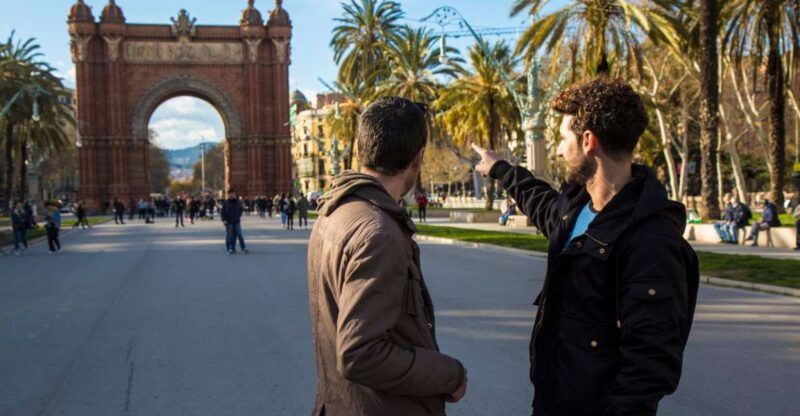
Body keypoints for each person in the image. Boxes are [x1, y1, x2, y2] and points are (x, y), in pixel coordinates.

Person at [473, 77, 698, 416]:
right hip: (552, 399)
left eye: (564, 139)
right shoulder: (574, 208)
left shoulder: (651, 241)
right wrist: (500, 169)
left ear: (589, 141)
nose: (560, 150)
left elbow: (650, 365)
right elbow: (539, 201)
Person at [307, 97, 467, 416]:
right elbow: (360, 354)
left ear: (359, 149)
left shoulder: (335, 212)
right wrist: (451, 374)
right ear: (418, 157)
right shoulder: (377, 231)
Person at [221, 188, 247, 254]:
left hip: (237, 221)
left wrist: (238, 216)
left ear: (235, 194)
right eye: (230, 194)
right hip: (229, 222)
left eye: (233, 194)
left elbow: (241, 210)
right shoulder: (225, 203)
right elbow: (223, 212)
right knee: (229, 236)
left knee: (239, 235)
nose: (232, 195)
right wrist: (224, 220)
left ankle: (243, 248)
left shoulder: (238, 202)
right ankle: (229, 248)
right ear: (228, 194)